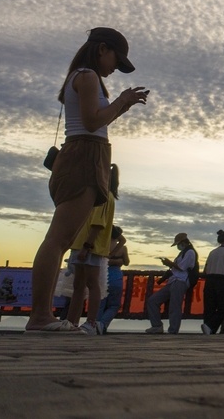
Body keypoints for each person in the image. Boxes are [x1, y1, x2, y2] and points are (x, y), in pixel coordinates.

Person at [25, 28, 147, 333]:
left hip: (84, 153)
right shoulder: (88, 76)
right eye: (115, 61)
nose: (114, 69)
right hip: (84, 155)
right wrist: (120, 100)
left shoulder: (81, 77)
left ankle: (42, 315)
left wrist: (122, 105)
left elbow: (94, 121)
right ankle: (40, 316)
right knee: (58, 239)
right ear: (102, 49)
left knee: (61, 240)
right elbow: (92, 122)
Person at [64, 161, 118, 334]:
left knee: (91, 284)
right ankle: (71, 322)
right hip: (81, 245)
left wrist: (86, 246)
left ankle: (91, 322)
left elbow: (97, 224)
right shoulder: (97, 196)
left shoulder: (104, 197)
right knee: (78, 285)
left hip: (91, 246)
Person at [145, 233, 197, 334]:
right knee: (152, 301)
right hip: (173, 281)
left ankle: (173, 330)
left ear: (183, 243)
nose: (177, 246)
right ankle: (157, 326)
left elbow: (182, 267)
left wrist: (169, 263)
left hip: (181, 281)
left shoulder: (190, 252)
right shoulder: (182, 253)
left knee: (175, 307)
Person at [201, 230, 224, 335]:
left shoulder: (212, 252)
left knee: (209, 307)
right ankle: (210, 326)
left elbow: (205, 270)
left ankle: (208, 328)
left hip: (209, 280)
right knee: (223, 308)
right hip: (222, 280)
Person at [98, 224, 128, 334]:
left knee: (100, 304)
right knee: (114, 305)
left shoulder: (102, 245)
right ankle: (103, 324)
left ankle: (96, 324)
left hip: (102, 276)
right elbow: (127, 262)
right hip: (116, 278)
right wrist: (118, 261)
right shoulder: (122, 248)